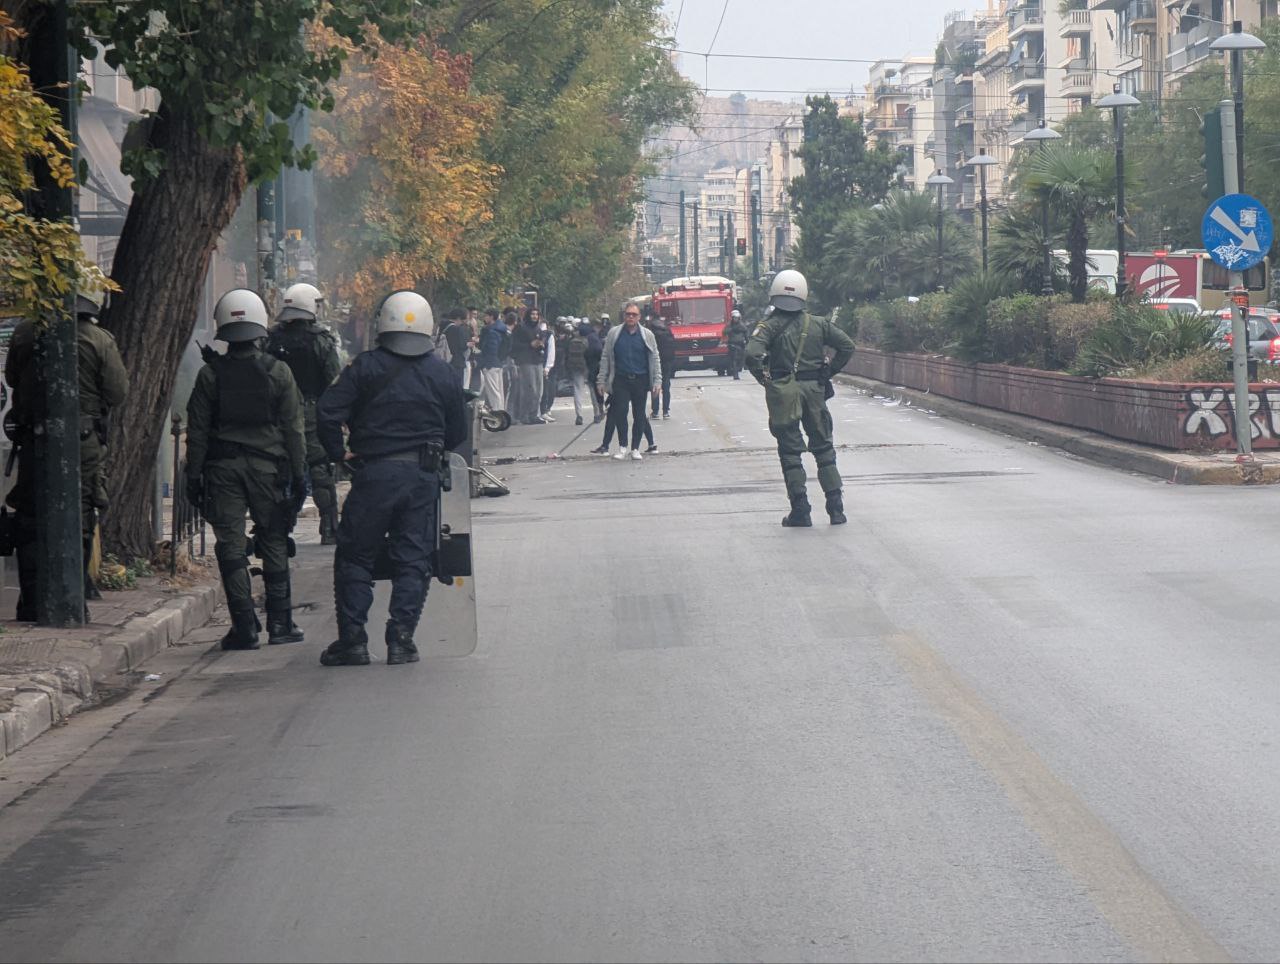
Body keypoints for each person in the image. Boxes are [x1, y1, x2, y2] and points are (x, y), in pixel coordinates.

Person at [316, 290, 468, 667]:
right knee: (414, 557)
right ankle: (401, 639)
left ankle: (352, 641)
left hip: (375, 474)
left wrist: (339, 454)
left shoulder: (364, 368)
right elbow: (457, 432)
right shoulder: (443, 372)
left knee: (356, 555)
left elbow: (327, 412)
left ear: (384, 325)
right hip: (421, 476)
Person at [186, 289, 307, 649]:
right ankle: (281, 624)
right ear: (259, 329)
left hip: (223, 471)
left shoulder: (210, 375)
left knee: (231, 545)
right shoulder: (279, 372)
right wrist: (300, 474)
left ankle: (244, 628)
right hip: (268, 470)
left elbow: (197, 430)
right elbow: (294, 429)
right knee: (273, 539)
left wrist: (194, 476)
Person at [5, 289, 130, 620]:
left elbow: (12, 379)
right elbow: (117, 392)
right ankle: (72, 598)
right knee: (82, 514)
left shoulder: (25, 333)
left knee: (30, 517)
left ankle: (31, 600)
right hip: (83, 442)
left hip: (34, 440)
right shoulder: (100, 339)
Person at [745, 269, 855, 528]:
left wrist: (765, 379)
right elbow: (847, 345)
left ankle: (801, 509)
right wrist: (829, 371)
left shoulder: (769, 325)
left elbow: (751, 354)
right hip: (815, 391)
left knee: (790, 451)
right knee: (824, 447)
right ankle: (836, 507)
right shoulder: (818, 324)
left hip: (785, 393)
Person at [266, 282, 343, 545]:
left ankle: (280, 526)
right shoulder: (322, 341)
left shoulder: (270, 340)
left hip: (277, 413)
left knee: (281, 467)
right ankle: (330, 526)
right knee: (319, 467)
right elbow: (334, 382)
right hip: (311, 411)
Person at [596, 302, 661, 461]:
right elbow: (605, 357)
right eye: (628, 314)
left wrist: (657, 380)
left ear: (639, 317)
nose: (630, 317)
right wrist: (601, 380)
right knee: (621, 413)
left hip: (640, 379)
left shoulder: (647, 335)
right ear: (624, 316)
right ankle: (623, 447)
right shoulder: (614, 333)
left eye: (634, 314)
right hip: (620, 380)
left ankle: (635, 448)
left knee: (639, 415)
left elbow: (655, 358)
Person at [510, 307, 546, 424]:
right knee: (530, 389)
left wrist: (541, 344)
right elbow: (514, 344)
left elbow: (540, 341)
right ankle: (524, 415)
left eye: (536, 314)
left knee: (539, 390)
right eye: (532, 314)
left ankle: (534, 415)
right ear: (528, 315)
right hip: (526, 361)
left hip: (537, 360)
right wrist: (530, 345)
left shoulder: (538, 328)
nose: (534, 316)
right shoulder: (520, 327)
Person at [476, 307, 508, 413]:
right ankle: (501, 411)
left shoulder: (489, 330)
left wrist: (478, 344)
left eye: (486, 316)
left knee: (493, 391)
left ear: (491, 317)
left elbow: (488, 347)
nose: (484, 318)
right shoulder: (503, 329)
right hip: (498, 362)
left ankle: (497, 413)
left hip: (489, 363)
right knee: (499, 390)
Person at [648, 313, 677, 419]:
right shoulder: (666, 329)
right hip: (667, 361)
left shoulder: (650, 330)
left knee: (655, 386)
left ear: (651, 318)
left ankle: (655, 412)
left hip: (655, 361)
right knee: (666, 386)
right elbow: (673, 345)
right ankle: (666, 411)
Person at [564, 322, 592, 426]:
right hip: (587, 367)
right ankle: (597, 412)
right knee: (593, 389)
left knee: (577, 390)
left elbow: (566, 355)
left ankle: (579, 414)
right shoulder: (588, 341)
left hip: (575, 368)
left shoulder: (572, 341)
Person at [538, 313, 558, 421]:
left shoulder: (549, 335)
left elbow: (551, 352)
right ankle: (542, 411)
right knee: (541, 390)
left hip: (544, 365)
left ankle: (543, 410)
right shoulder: (545, 334)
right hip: (539, 364)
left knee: (544, 389)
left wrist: (547, 367)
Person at [584, 320, 605, 422]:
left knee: (594, 390)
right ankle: (599, 412)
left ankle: (598, 412)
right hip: (595, 366)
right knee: (597, 390)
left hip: (589, 366)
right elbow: (598, 350)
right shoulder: (594, 337)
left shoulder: (588, 337)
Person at [726, 308, 749, 380]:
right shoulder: (729, 325)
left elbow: (746, 333)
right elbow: (725, 332)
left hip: (741, 344)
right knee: (734, 360)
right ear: (732, 318)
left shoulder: (742, 325)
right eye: (734, 318)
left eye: (737, 318)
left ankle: (739, 368)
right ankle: (735, 375)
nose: (736, 319)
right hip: (732, 345)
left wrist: (747, 341)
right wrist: (731, 329)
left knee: (741, 359)